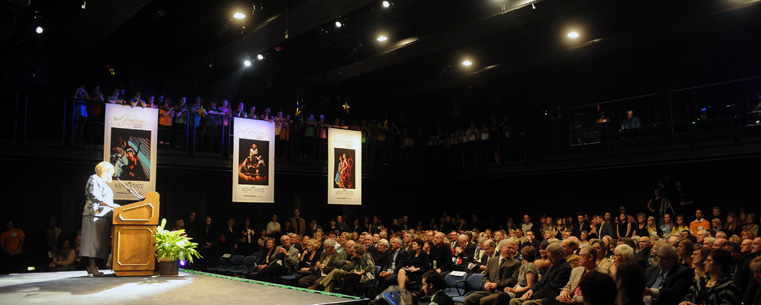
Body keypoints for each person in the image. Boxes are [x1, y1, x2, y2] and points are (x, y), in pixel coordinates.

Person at [81, 161, 120, 277]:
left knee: (98, 243)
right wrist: (113, 206)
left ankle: (93, 266)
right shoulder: (94, 179)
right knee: (92, 242)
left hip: (103, 215)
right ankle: (92, 266)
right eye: (108, 172)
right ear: (102, 170)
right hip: (94, 214)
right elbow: (95, 197)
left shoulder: (103, 183)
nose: (110, 175)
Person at [465, 239, 520, 305]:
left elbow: (513, 280)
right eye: (509, 247)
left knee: (484, 301)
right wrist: (486, 282)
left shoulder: (516, 263)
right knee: (469, 299)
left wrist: (497, 284)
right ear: (501, 248)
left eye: (512, 248)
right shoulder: (492, 260)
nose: (511, 250)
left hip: (502, 292)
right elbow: (485, 276)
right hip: (490, 291)